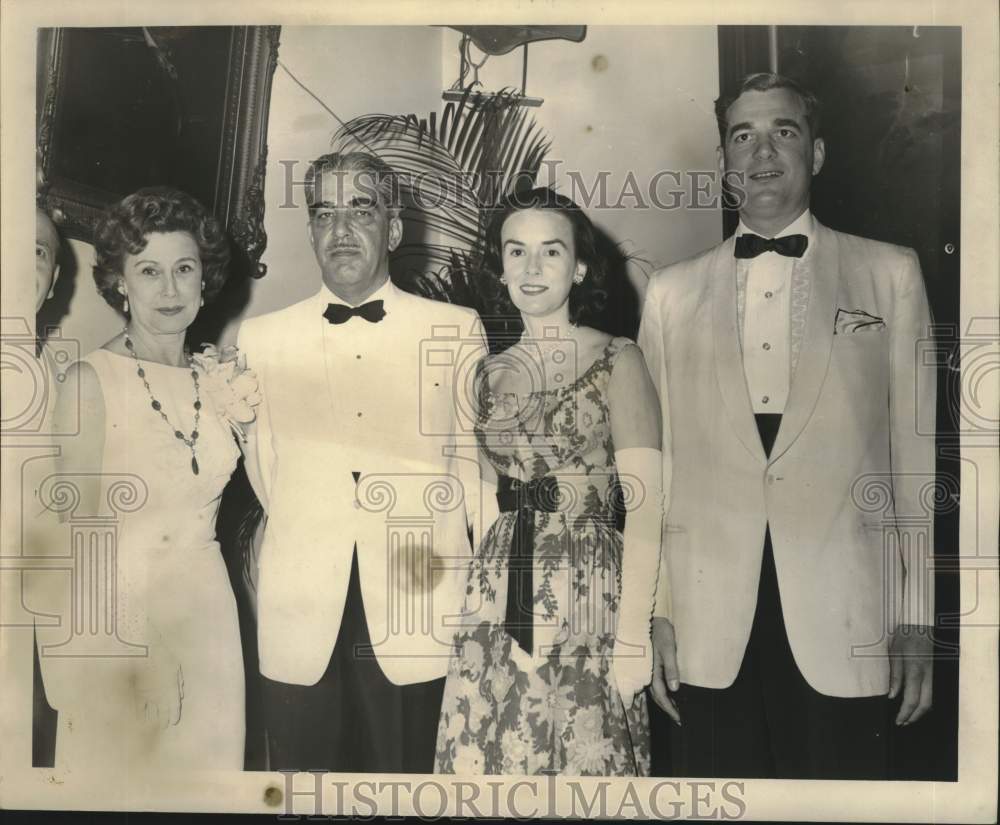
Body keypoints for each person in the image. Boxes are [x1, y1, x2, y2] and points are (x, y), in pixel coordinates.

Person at [638, 72, 936, 779]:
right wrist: (653, 614)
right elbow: (652, 475)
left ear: (819, 154)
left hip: (850, 623)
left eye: (784, 131)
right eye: (742, 134)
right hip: (709, 633)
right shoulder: (668, 293)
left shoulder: (890, 273)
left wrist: (916, 618)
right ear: (724, 162)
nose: (761, 150)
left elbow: (916, 463)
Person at [237, 151, 487, 773]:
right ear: (311, 230)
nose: (341, 230)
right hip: (300, 608)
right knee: (307, 793)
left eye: (361, 210)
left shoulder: (455, 329)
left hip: (418, 600)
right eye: (324, 212)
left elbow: (473, 473)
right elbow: (266, 473)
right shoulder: (262, 339)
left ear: (394, 231)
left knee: (409, 790)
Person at [434, 187, 665, 776]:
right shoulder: (484, 374)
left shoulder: (619, 358)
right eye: (516, 252)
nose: (531, 269)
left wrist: (634, 635)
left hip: (587, 592)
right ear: (501, 266)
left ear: (580, 267)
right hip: (495, 594)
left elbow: (648, 506)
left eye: (551, 252)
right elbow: (488, 502)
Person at [40, 187, 248, 772]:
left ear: (204, 279)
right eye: (149, 271)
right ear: (120, 283)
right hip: (122, 620)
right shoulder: (89, 380)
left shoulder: (219, 377)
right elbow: (77, 537)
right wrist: (140, 646)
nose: (169, 289)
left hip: (210, 616)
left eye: (184, 269)